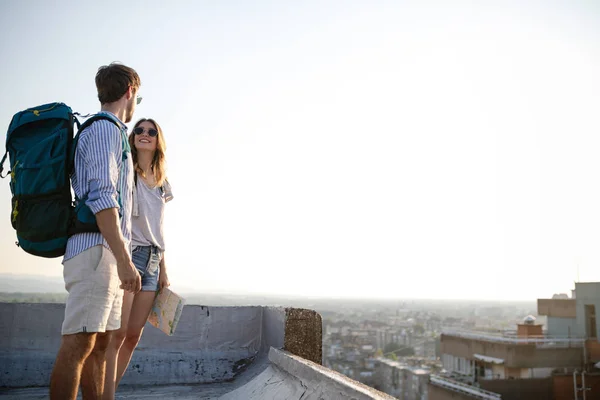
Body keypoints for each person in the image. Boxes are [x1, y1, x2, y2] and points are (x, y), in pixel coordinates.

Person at [50, 62, 142, 400]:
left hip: (105, 252)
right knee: (79, 342)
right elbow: (104, 199)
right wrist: (124, 260)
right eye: (138, 97)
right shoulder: (105, 130)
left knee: (101, 344)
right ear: (130, 91)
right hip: (96, 253)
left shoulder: (111, 131)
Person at [103, 118, 174, 398]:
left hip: (154, 260)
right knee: (117, 335)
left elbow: (158, 227)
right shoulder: (125, 172)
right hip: (130, 256)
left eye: (151, 131)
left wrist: (164, 270)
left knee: (133, 336)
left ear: (158, 141)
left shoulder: (161, 183)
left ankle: (111, 390)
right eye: (140, 130)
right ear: (133, 138)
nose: (144, 134)